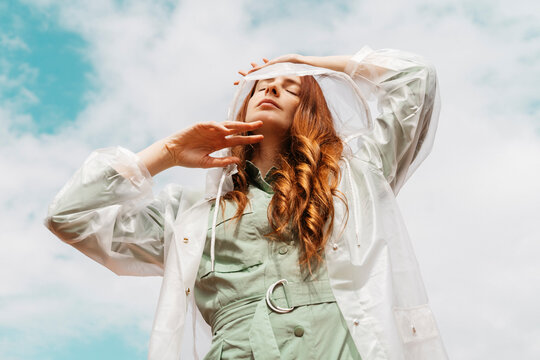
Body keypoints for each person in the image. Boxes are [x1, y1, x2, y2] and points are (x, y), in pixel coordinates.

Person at [44, 45, 447, 360]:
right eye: (262, 85)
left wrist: (307, 63)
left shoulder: (355, 178)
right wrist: (165, 152)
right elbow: (69, 215)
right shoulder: (189, 213)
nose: (272, 87)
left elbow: (415, 78)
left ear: (308, 112)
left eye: (291, 88)